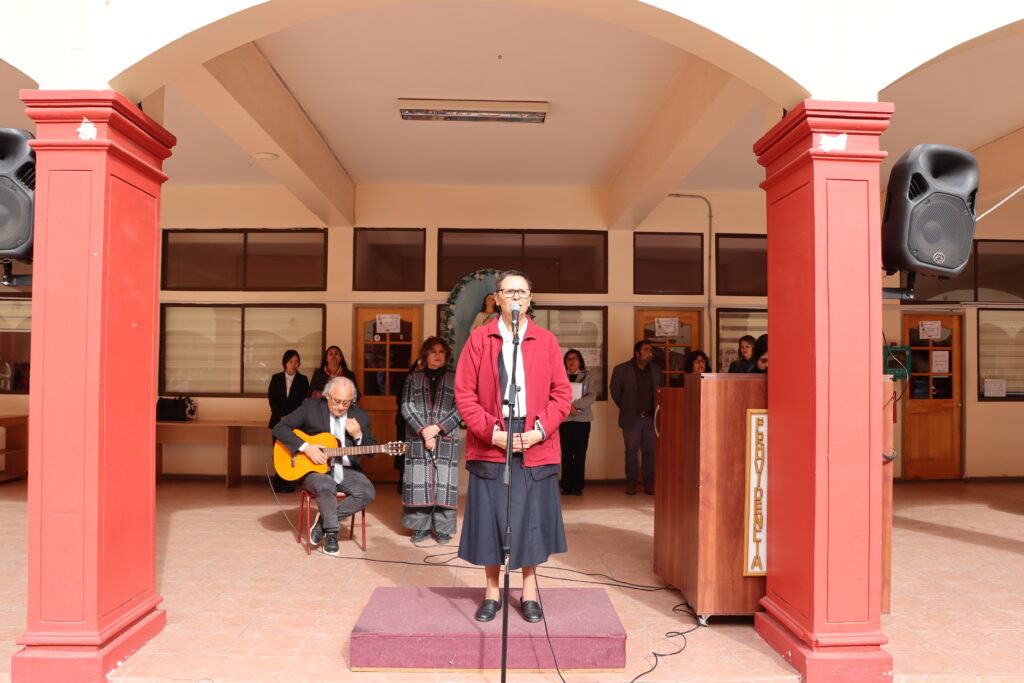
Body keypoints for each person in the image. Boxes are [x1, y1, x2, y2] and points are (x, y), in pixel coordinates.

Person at [455, 270, 572, 624]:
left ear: (530, 298)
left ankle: (530, 591)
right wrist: (491, 433)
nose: (516, 297)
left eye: (522, 291)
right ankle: (492, 592)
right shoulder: (480, 339)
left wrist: (539, 431)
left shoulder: (546, 341)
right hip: (493, 436)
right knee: (492, 515)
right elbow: (465, 394)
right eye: (509, 291)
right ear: (497, 299)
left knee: (531, 516)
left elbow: (562, 394)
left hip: (534, 436)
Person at [273, 376, 377, 556]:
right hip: (314, 469)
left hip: (347, 469)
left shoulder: (361, 415)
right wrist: (306, 447)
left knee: (367, 492)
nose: (341, 407)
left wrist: (359, 436)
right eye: (337, 401)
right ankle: (332, 533)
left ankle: (323, 523)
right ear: (327, 395)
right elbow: (280, 428)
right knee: (325, 484)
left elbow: (372, 451)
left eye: (347, 402)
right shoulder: (310, 407)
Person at [400, 337, 462, 544]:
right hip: (418, 437)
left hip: (445, 436)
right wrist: (424, 431)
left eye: (441, 352)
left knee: (444, 483)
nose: (438, 355)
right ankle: (421, 527)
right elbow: (406, 406)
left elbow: (461, 407)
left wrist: (437, 429)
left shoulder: (455, 377)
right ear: (425, 355)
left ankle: (443, 529)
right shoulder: (413, 377)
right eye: (433, 351)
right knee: (420, 481)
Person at [610, 340, 663, 495]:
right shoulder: (621, 369)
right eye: (646, 350)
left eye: (651, 350)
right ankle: (631, 483)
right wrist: (627, 407)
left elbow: (661, 391)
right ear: (637, 353)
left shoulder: (656, 370)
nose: (650, 354)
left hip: (651, 417)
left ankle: (649, 483)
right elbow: (615, 392)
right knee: (631, 451)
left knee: (650, 451)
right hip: (631, 417)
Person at [267, 349, 310, 493]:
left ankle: (289, 481)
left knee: (292, 453)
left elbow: (304, 402)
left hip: (296, 422)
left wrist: (291, 418)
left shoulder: (303, 379)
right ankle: (278, 481)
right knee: (278, 452)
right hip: (278, 421)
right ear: (285, 363)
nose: (293, 364)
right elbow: (272, 399)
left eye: (296, 362)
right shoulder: (276, 378)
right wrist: (281, 416)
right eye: (290, 361)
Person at [559, 349, 596, 496]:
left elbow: (592, 395)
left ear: (580, 361)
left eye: (574, 358)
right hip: (565, 420)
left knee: (580, 453)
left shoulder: (588, 375)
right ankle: (567, 486)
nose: (571, 361)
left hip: (582, 419)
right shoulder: (560, 375)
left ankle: (578, 486)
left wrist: (576, 406)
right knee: (566, 453)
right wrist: (568, 408)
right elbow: (556, 394)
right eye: (568, 359)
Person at [393, 358, 424, 494]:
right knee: (403, 450)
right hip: (404, 420)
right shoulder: (405, 378)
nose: (422, 367)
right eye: (420, 365)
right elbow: (400, 400)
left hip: (423, 421)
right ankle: (402, 483)